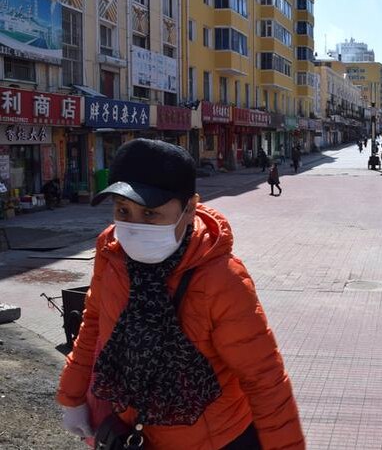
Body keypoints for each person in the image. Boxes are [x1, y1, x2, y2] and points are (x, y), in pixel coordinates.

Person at [56, 139, 303, 449]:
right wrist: (72, 395)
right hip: (136, 433)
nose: (132, 227)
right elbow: (92, 325)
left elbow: (265, 380)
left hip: (216, 439)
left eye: (150, 214)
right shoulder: (112, 254)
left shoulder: (221, 279)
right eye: (122, 210)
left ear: (190, 208)